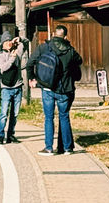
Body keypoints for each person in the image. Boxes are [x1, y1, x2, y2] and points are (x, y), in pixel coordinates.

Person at [27, 25, 82, 156]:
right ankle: (67, 148)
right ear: (66, 36)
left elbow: (30, 63)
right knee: (64, 117)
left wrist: (32, 78)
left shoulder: (43, 47)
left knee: (48, 118)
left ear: (53, 34)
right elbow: (79, 61)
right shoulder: (70, 50)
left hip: (47, 87)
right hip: (64, 89)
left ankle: (49, 148)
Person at [0, 31, 26, 144]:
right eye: (6, 41)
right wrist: (12, 58)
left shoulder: (17, 51)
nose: (8, 43)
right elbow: (4, 68)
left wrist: (20, 39)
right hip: (6, 88)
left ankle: (11, 135)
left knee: (15, 113)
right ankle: (0, 135)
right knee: (4, 113)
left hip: (17, 86)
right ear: (2, 43)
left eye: (10, 41)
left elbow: (25, 43)